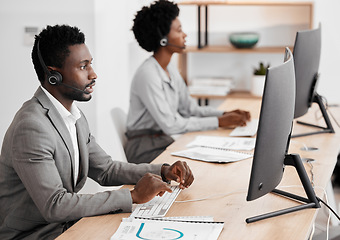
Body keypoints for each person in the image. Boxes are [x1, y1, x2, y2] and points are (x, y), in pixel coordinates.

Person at [0, 24, 194, 240]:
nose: (93, 74)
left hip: (65, 226)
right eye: (83, 67)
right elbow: (55, 205)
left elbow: (106, 170)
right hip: (36, 235)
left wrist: (164, 171)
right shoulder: (32, 127)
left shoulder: (73, 116)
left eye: (90, 64)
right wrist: (132, 196)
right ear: (54, 76)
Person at [125, 0, 251, 164]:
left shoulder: (169, 69)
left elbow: (189, 109)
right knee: (198, 164)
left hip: (163, 140)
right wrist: (219, 122)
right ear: (163, 39)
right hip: (144, 149)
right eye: (179, 30)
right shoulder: (148, 75)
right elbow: (171, 125)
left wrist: (224, 114)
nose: (184, 35)